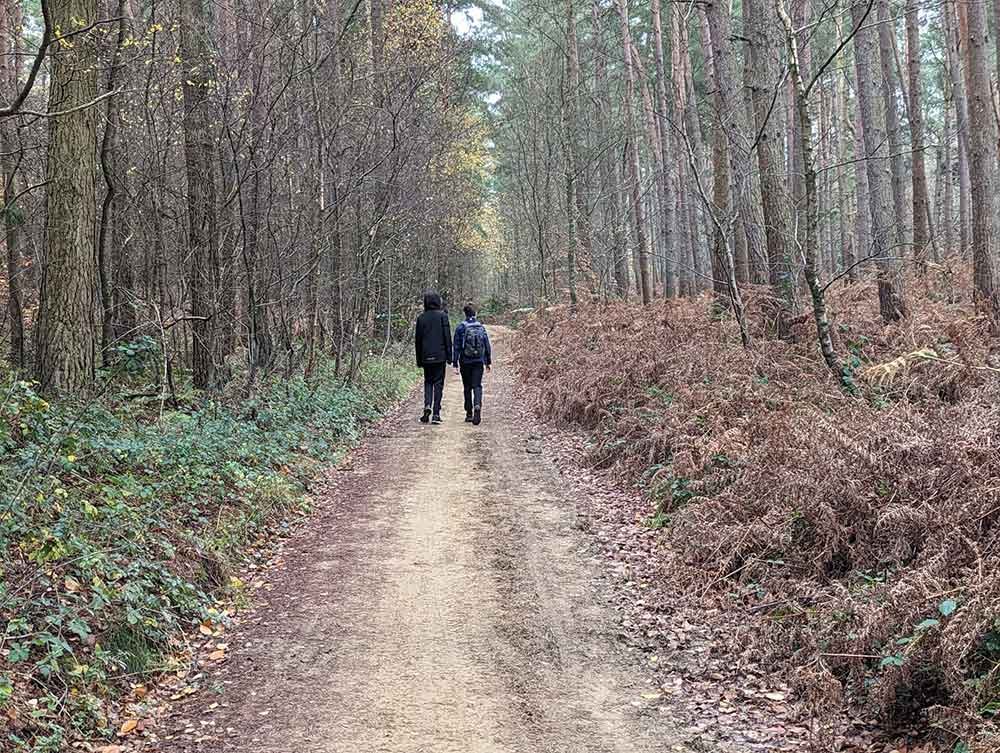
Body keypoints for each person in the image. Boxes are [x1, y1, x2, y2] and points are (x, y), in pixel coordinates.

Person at [415, 290, 452, 424]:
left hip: (426, 356)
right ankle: (436, 413)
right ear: (438, 302)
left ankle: (427, 406)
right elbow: (447, 337)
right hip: (440, 356)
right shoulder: (443, 316)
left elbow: (418, 341)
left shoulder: (421, 318)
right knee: (438, 384)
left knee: (428, 382)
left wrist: (418, 359)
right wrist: (450, 356)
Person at [453, 302, 492, 426]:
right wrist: (488, 361)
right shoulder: (481, 327)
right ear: (475, 313)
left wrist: (455, 363)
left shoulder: (461, 327)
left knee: (467, 387)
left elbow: (457, 346)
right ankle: (477, 405)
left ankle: (469, 414)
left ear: (465, 314)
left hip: (465, 361)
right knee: (477, 385)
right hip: (478, 361)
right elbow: (486, 344)